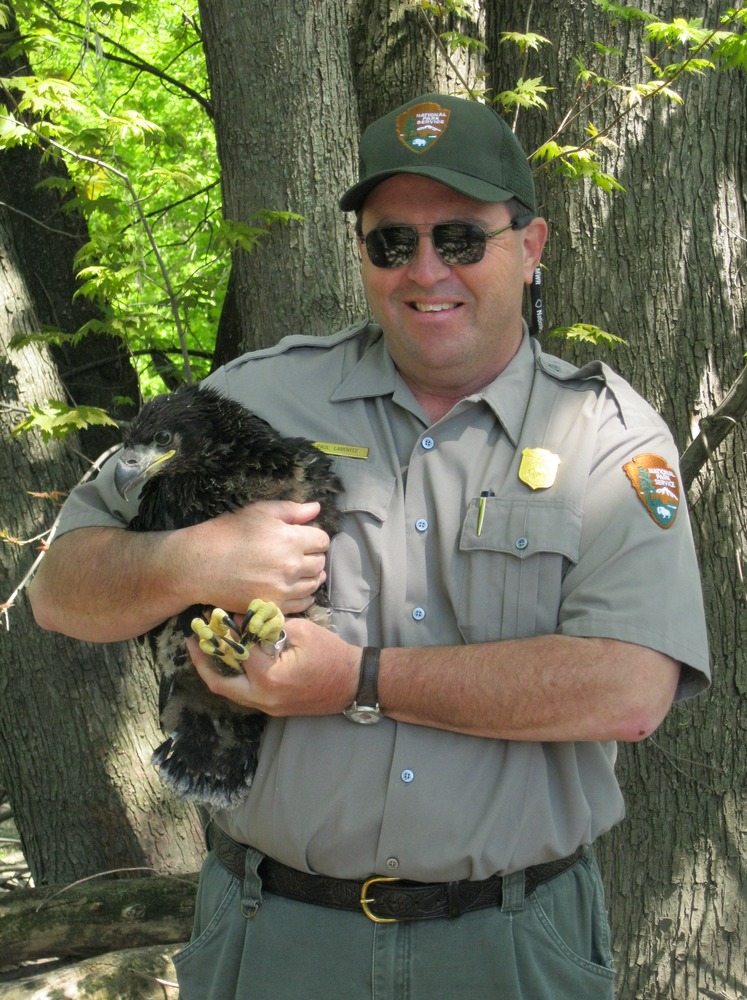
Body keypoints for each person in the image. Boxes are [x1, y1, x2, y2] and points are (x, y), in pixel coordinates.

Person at [29, 93, 710, 1000]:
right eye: (393, 242)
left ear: (532, 245)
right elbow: (56, 586)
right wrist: (196, 559)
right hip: (277, 940)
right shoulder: (249, 401)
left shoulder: (607, 435)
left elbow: (629, 690)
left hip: (509, 949)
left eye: (462, 238)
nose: (427, 270)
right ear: (363, 253)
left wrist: (356, 680)